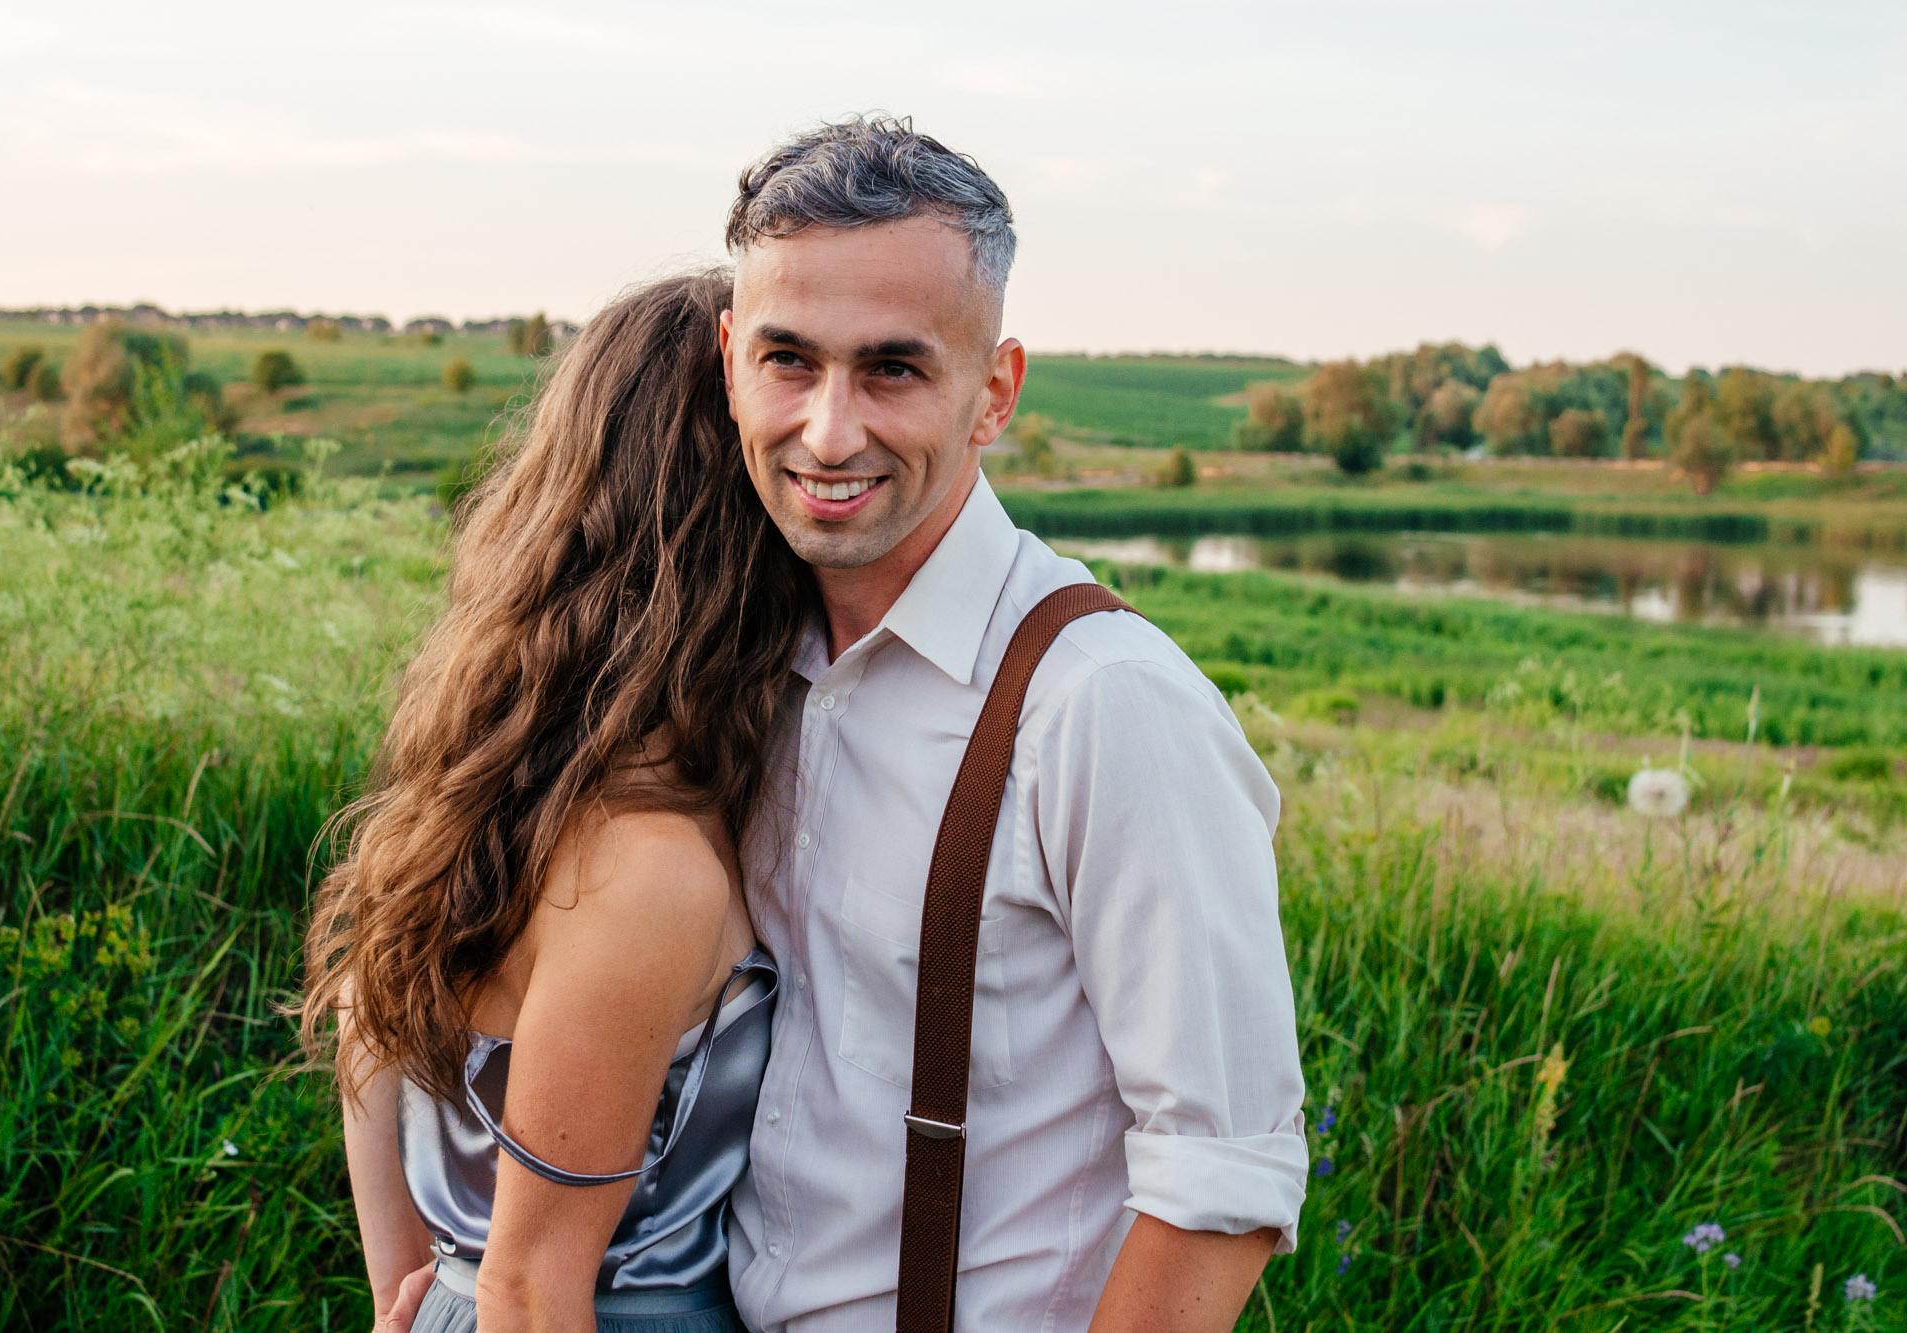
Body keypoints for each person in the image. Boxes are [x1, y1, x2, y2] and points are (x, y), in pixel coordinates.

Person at [718, 117, 1309, 1330]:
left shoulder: (1103, 704)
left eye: (892, 369)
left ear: (993, 392)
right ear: (729, 358)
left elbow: (1223, 1174)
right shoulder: (733, 660)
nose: (829, 432)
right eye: (788, 360)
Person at [301, 272, 813, 1333]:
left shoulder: (499, 781)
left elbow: (367, 1023)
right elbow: (532, 1287)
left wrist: (416, 1285)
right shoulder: (644, 867)